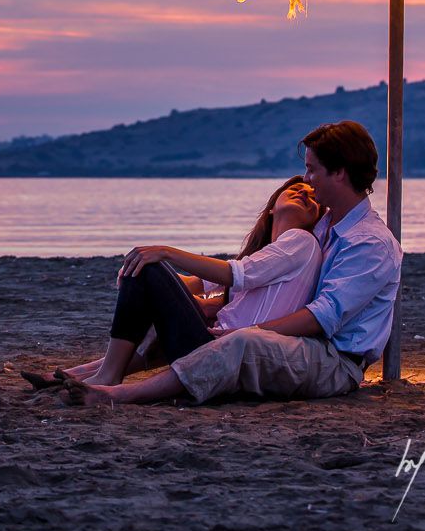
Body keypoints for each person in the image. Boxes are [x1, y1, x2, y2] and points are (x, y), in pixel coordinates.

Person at [63, 120, 401, 407]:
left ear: (339, 173)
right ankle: (97, 373)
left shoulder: (369, 243)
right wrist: (165, 291)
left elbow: (322, 316)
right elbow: (250, 276)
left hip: (334, 362)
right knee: (167, 288)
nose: (306, 179)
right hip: (306, 345)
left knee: (242, 342)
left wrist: (249, 330)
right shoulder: (324, 227)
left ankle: (119, 395)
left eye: (312, 170)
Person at [23, 176, 325, 390]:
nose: (305, 193)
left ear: (316, 218)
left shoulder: (300, 242)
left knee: (149, 268)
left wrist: (162, 254)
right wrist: (142, 277)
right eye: (295, 189)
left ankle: (108, 375)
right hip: (213, 340)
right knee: (146, 270)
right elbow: (197, 282)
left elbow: (235, 274)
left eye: (312, 196)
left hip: (223, 347)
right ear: (272, 207)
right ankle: (76, 374)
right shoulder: (270, 253)